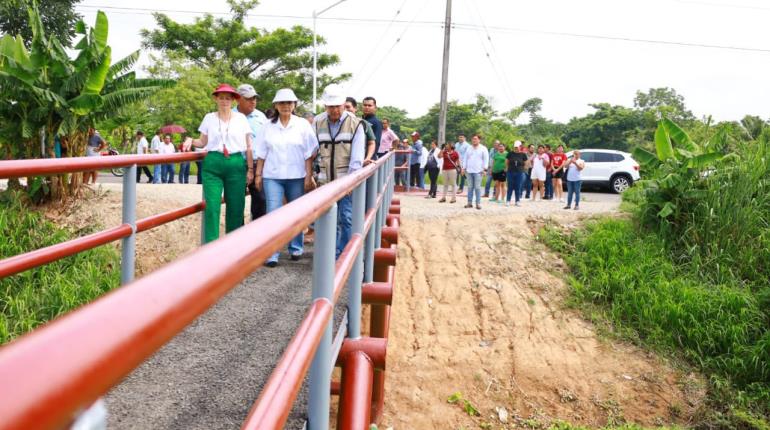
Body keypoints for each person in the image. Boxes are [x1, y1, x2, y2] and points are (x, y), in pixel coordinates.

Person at [254, 88, 318, 267]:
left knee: (296, 212)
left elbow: (309, 152)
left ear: (294, 105)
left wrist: (308, 175)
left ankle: (296, 247)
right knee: (273, 212)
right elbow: (262, 152)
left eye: (289, 103)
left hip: (296, 175)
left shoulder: (302, 125)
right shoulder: (267, 126)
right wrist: (258, 174)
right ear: (275, 105)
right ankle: (272, 252)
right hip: (272, 175)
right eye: (282, 103)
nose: (286, 106)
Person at [183, 83, 253, 244]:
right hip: (213, 163)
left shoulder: (241, 119)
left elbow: (249, 145)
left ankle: (232, 247)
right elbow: (202, 141)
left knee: (236, 207)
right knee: (212, 207)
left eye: (228, 98)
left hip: (236, 163)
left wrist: (250, 169)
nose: (224, 101)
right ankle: (211, 247)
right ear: (216, 99)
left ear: (233, 101)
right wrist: (189, 139)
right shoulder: (209, 118)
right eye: (221, 98)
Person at [315, 84, 367, 257]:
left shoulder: (356, 124)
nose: (334, 110)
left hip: (346, 181)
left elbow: (357, 158)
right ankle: (327, 252)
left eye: (337, 106)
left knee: (346, 218)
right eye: (330, 106)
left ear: (344, 103)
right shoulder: (318, 122)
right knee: (326, 219)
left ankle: (343, 254)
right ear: (325, 106)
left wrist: (350, 182)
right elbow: (312, 150)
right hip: (324, 181)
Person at [235, 83, 268, 221]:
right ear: (238, 99)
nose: (253, 101)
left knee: (261, 201)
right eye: (249, 98)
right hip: (237, 163)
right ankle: (237, 236)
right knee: (236, 202)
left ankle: (257, 236)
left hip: (257, 164)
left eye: (254, 98)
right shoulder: (230, 116)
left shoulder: (261, 117)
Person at [344, 97, 376, 164]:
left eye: (348, 107)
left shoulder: (363, 123)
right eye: (343, 107)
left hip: (359, 164)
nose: (345, 110)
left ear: (355, 108)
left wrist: (367, 158)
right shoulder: (334, 124)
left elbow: (372, 143)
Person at [461, 134, 489, 210]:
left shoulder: (483, 148)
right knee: (470, 187)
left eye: (476, 139)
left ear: (479, 140)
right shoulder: (469, 148)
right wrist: (463, 168)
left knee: (477, 187)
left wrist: (485, 169)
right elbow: (465, 158)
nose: (474, 140)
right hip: (469, 171)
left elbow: (486, 159)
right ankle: (469, 203)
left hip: (479, 171)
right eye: (473, 139)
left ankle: (478, 203)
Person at [505, 141, 528, 206]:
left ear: (520, 147)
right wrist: (506, 168)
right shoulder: (510, 153)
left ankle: (517, 201)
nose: (516, 148)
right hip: (510, 172)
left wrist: (524, 168)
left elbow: (526, 162)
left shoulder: (523, 154)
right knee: (510, 186)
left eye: (517, 147)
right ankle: (508, 200)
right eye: (515, 147)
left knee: (518, 186)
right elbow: (506, 161)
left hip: (519, 172)